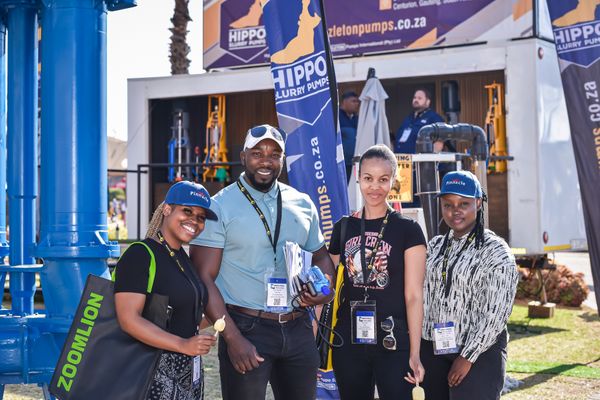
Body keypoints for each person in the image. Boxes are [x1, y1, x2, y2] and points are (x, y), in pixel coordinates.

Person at [189, 124, 335, 400]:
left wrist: (325, 292)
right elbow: (203, 278)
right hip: (245, 327)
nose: (266, 161)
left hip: (298, 327)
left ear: (282, 159)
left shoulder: (303, 203)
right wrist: (233, 338)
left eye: (274, 154)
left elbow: (321, 257)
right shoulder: (219, 206)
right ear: (243, 157)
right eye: (257, 153)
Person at [328, 144, 427, 400]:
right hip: (348, 339)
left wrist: (415, 352)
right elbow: (327, 286)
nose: (375, 187)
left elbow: (414, 295)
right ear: (358, 178)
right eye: (368, 178)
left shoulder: (409, 230)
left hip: (393, 339)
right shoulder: (343, 227)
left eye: (383, 179)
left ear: (393, 181)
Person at [114, 181, 218, 400]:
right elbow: (128, 319)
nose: (194, 221)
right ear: (167, 209)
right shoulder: (140, 254)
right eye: (187, 211)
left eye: (201, 217)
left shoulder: (183, 258)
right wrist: (183, 344)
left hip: (186, 369)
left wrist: (212, 319)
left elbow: (176, 318)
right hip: (150, 372)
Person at [421, 171, 519, 400]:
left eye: (463, 204)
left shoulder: (496, 251)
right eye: (448, 204)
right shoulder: (435, 246)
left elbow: (496, 313)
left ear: (478, 203)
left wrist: (467, 356)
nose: (455, 211)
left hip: (479, 353)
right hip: (434, 348)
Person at [394, 88, 444, 154]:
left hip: (419, 159)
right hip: (400, 157)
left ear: (428, 102)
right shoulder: (408, 118)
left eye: (419, 98)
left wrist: (429, 157)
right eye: (414, 98)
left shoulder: (434, 117)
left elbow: (439, 142)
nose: (416, 100)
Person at [339, 91, 360, 182]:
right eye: (353, 101)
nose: (357, 104)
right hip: (341, 164)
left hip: (355, 162)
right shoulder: (336, 117)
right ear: (344, 102)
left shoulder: (357, 119)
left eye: (357, 101)